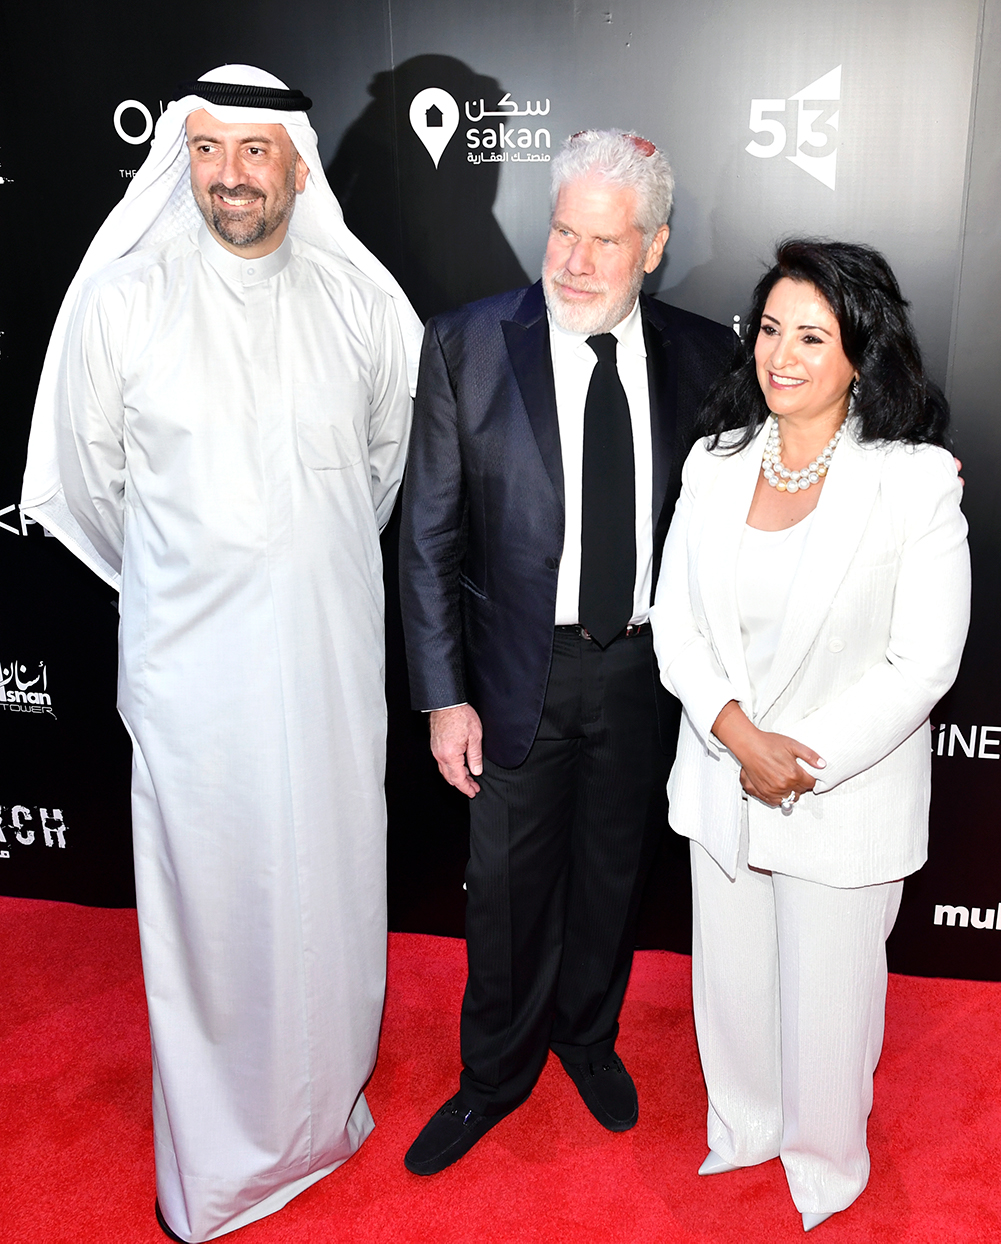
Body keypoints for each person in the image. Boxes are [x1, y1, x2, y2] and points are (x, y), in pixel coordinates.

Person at [20, 65, 422, 1243]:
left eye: (256, 153)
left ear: (297, 160)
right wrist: (190, 588)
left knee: (327, 885)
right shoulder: (127, 302)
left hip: (327, 662)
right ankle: (216, 1160)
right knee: (209, 909)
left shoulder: (361, 303)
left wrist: (302, 563)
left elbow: (386, 465)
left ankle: (319, 1116)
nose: (231, 177)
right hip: (192, 678)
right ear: (181, 159)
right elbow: (91, 492)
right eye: (209, 152)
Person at [398, 129, 734, 1174]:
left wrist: (900, 473)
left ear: (652, 245)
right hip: (511, 668)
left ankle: (586, 1036)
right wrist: (442, 697)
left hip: (642, 668)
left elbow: (782, 468)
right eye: (561, 231)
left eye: (603, 239)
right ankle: (492, 1072)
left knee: (610, 871)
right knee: (502, 887)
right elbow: (425, 539)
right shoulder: (466, 344)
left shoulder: (704, 356)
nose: (574, 260)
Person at [650, 240, 970, 1231]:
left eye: (811, 336)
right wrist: (734, 733)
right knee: (733, 983)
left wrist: (797, 759)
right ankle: (743, 1124)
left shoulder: (911, 482)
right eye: (770, 330)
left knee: (829, 1002)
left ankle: (826, 1161)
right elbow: (674, 621)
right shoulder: (713, 464)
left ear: (858, 353)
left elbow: (921, 663)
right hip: (720, 770)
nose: (779, 355)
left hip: (839, 791)